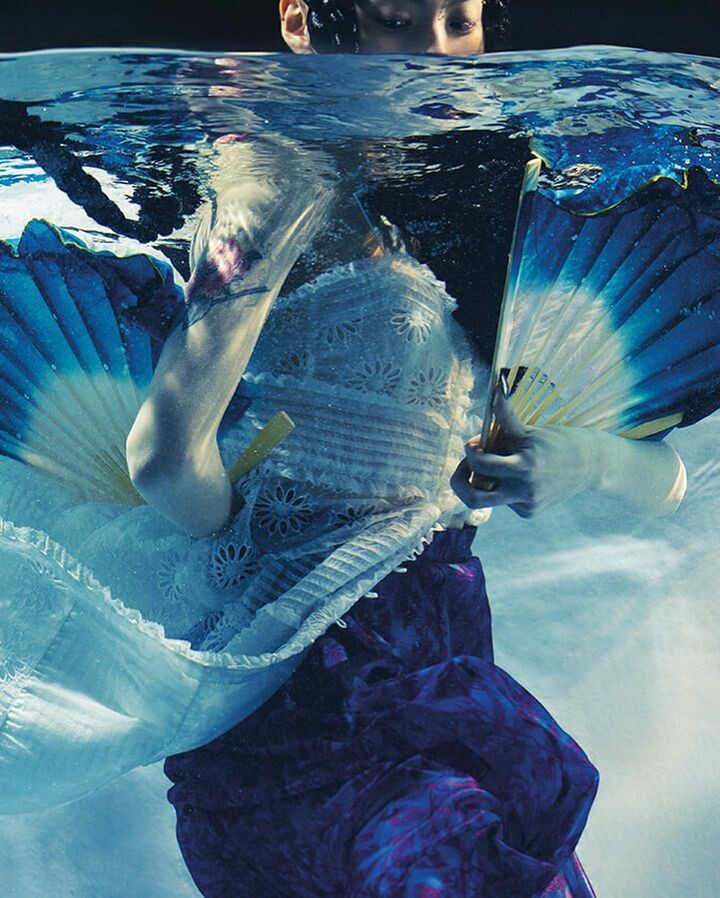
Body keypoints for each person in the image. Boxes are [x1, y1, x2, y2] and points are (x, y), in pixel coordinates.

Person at [127, 4, 690, 898]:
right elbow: (161, 459)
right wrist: (262, 542)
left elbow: (666, 482)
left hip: (426, 648)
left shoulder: (474, 189)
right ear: (303, 20)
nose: (438, 58)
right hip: (319, 679)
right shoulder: (280, 176)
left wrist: (574, 459)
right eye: (398, 19)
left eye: (461, 21)